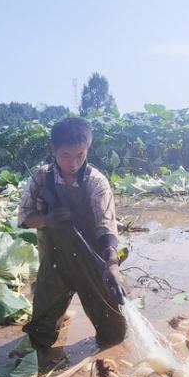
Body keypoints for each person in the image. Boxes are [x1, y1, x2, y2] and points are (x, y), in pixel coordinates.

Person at [18, 117, 128, 350]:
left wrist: (112, 264)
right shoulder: (41, 177)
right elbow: (25, 218)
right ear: (54, 150)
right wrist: (48, 220)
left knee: (114, 335)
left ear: (87, 149)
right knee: (40, 336)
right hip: (55, 259)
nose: (73, 163)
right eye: (66, 155)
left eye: (80, 155)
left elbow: (106, 225)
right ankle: (57, 318)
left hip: (91, 258)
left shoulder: (96, 182)